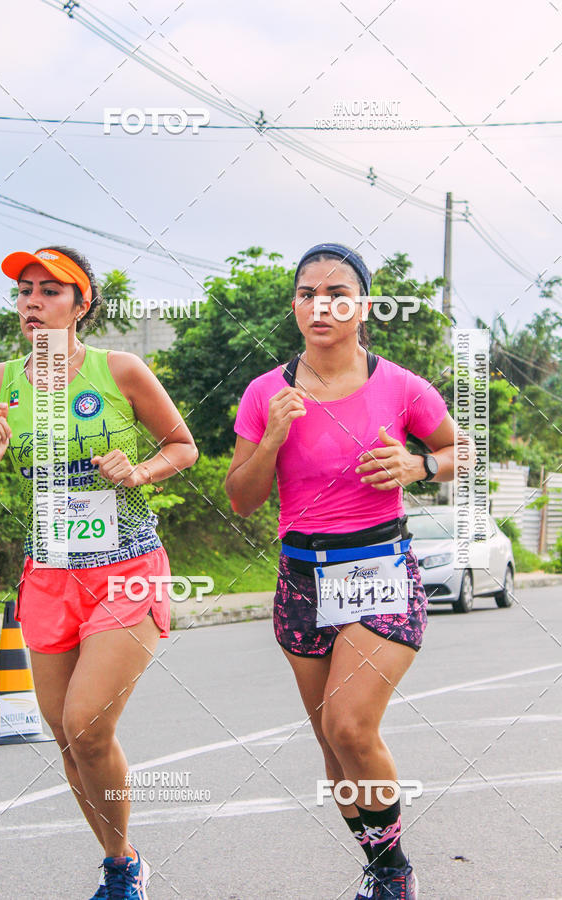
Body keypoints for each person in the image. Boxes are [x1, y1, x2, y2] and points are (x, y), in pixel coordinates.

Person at [226, 243, 468, 899]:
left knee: (349, 726)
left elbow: (460, 450)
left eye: (337, 292)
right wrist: (272, 437)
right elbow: (242, 498)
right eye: (307, 292)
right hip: (300, 578)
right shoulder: (264, 394)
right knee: (334, 751)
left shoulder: (401, 387)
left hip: (378, 568)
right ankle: (381, 866)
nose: (320, 304)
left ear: (363, 306)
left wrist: (420, 467)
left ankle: (395, 875)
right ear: (294, 305)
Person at [0, 246, 198, 900]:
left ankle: (122, 869)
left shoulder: (119, 371)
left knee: (87, 723)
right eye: (23, 291)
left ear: (81, 303)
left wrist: (139, 470)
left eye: (50, 291)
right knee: (68, 739)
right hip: (49, 575)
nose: (32, 302)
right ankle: (121, 862)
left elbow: (184, 446)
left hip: (127, 566)